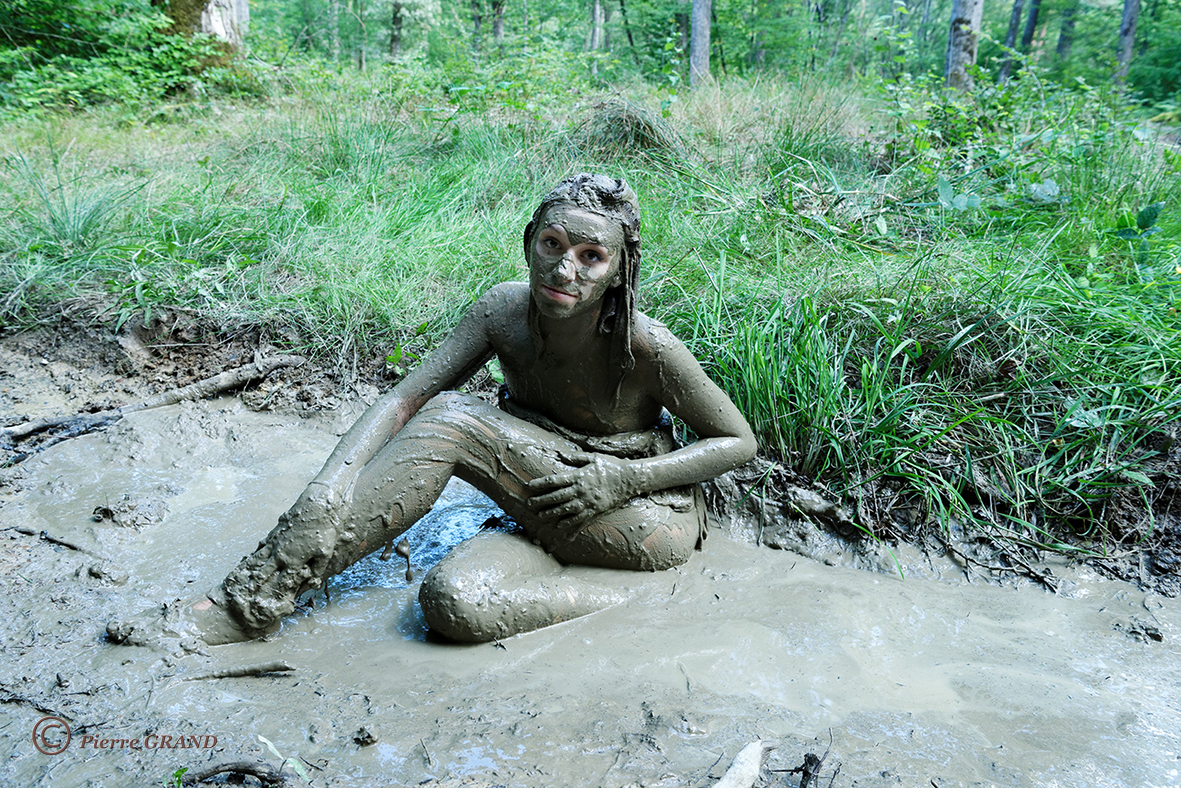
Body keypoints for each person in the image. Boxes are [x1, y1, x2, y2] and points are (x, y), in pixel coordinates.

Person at [115, 173, 756, 646]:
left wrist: (622, 476)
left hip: (639, 518)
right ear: (529, 242)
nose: (566, 269)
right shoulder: (501, 312)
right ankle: (625, 598)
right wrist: (328, 485)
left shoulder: (644, 345)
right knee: (455, 607)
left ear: (618, 270)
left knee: (454, 420)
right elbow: (403, 397)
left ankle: (246, 603)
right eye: (553, 244)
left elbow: (737, 441)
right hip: (552, 505)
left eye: (591, 257)